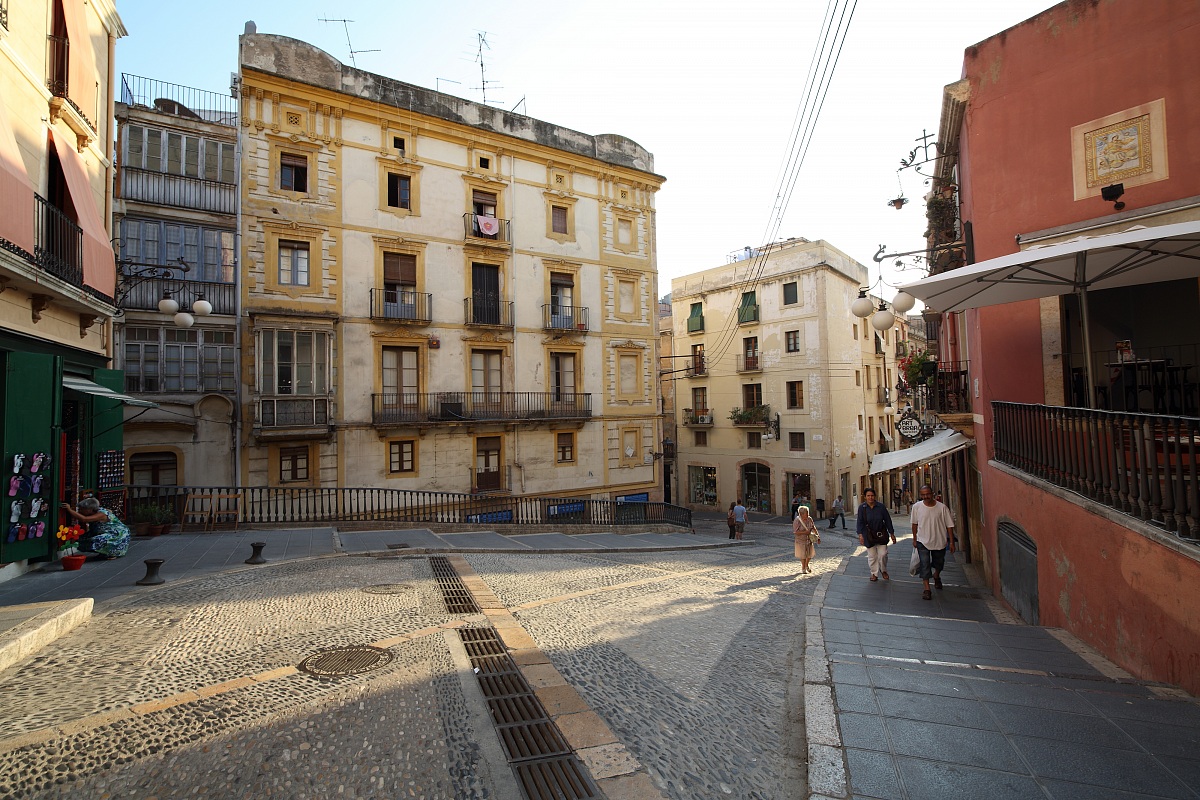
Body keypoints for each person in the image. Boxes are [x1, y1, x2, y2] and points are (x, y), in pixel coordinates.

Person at [911, 484, 955, 600]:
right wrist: (914, 538)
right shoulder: (916, 507)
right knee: (924, 564)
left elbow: (949, 525)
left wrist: (951, 542)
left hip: (939, 541)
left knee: (939, 563)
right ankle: (927, 589)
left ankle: (936, 575)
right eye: (923, 495)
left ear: (932, 494)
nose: (926, 497)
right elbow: (914, 524)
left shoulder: (942, 508)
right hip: (922, 541)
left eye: (928, 494)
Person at [60, 497, 130, 559]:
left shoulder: (101, 514)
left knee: (95, 540)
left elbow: (84, 519)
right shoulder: (97, 511)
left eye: (82, 509)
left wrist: (70, 510)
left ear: (90, 509)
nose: (80, 511)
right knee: (81, 539)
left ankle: (112, 552)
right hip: (102, 532)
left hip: (117, 535)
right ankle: (104, 552)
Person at [855, 488, 895, 581]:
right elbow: (859, 521)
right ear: (865, 497)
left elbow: (888, 520)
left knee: (883, 554)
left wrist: (892, 533)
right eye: (868, 496)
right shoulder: (862, 508)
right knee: (872, 556)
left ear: (875, 496)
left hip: (881, 533)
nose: (870, 497)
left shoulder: (881, 507)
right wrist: (860, 535)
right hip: (868, 535)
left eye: (872, 495)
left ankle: (883, 570)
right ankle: (874, 573)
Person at [793, 506, 820, 575]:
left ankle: (806, 565)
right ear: (801, 514)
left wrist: (818, 536)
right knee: (803, 555)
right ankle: (803, 567)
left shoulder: (809, 519)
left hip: (809, 539)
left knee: (810, 554)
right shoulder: (797, 521)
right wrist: (805, 532)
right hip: (800, 540)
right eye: (806, 513)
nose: (808, 514)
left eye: (808, 512)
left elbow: (813, 527)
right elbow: (796, 532)